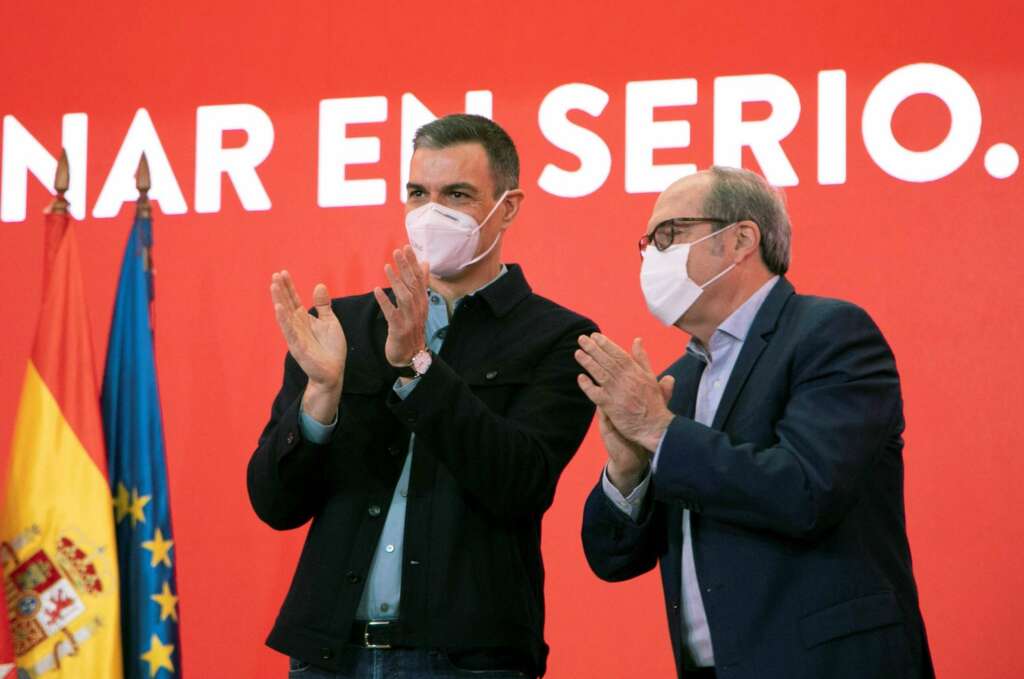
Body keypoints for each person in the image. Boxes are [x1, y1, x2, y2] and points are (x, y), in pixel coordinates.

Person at [247, 114, 597, 679]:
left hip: (469, 662)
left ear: (507, 207)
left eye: (457, 194)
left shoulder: (560, 337)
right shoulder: (342, 326)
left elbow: (520, 482)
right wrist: (320, 396)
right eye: (418, 193)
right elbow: (274, 504)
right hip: (329, 656)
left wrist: (419, 365)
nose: (432, 211)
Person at [576, 166, 933, 679]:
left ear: (741, 239)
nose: (654, 256)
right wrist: (628, 469)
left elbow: (806, 491)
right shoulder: (677, 381)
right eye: (648, 243)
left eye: (669, 235)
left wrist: (659, 432)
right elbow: (613, 560)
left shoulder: (831, 333)